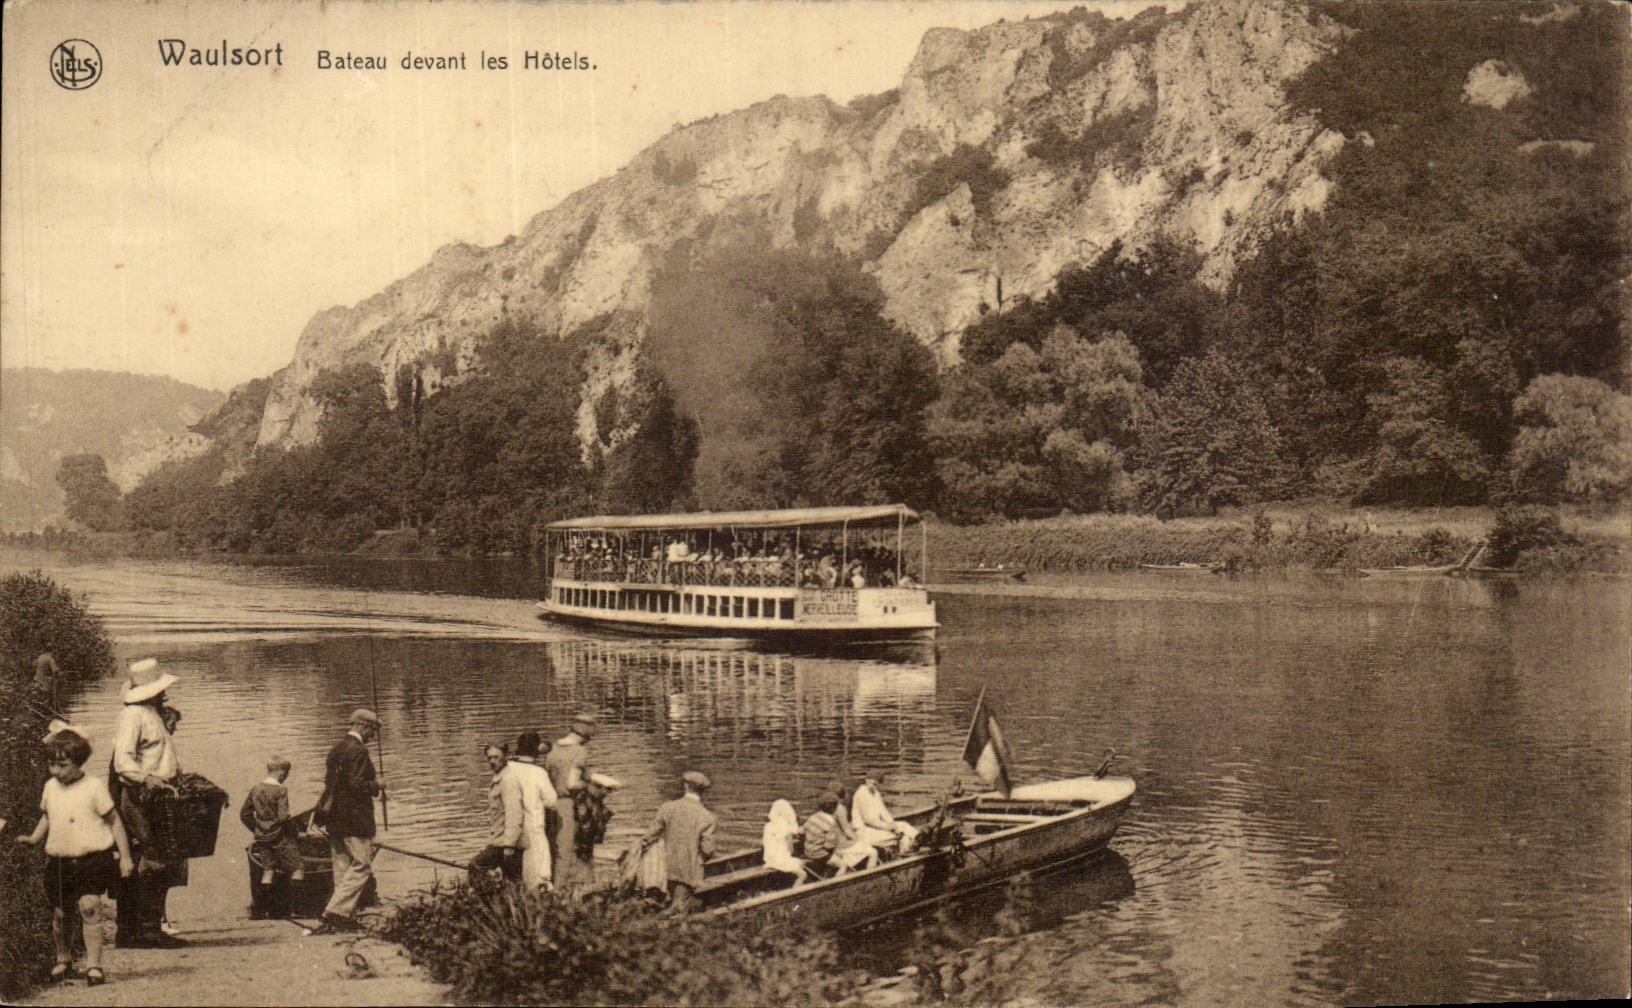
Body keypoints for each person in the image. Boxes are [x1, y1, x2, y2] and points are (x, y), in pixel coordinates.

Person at [16, 724, 133, 986]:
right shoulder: (51, 787)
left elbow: (115, 821)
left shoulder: (93, 787)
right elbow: (48, 815)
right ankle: (63, 959)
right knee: (60, 913)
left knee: (89, 907)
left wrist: (125, 856)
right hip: (60, 860)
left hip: (92, 858)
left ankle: (94, 965)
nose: (56, 772)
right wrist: (35, 838)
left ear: (79, 762)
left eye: (63, 765)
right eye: (52, 766)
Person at [109, 658, 186, 949]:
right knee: (153, 857)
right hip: (142, 795)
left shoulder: (152, 713)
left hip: (159, 792)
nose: (164, 694)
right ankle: (146, 929)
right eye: (160, 690)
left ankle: (142, 927)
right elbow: (122, 761)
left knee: (160, 856)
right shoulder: (132, 716)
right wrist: (146, 778)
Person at [311, 708, 383, 934]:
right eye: (372, 730)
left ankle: (342, 918)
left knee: (342, 867)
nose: (373, 735)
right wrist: (377, 785)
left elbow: (333, 784)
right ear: (362, 726)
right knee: (362, 865)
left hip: (334, 819)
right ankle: (336, 912)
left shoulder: (336, 750)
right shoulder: (359, 751)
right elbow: (356, 785)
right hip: (355, 819)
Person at [639, 770, 716, 911]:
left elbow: (650, 837)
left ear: (685, 786)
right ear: (702, 791)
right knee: (685, 894)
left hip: (665, 869)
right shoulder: (707, 816)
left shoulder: (667, 807)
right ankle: (680, 905)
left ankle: (663, 901)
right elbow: (708, 850)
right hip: (688, 873)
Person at [544, 713, 596, 895]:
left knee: (556, 848)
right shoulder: (579, 751)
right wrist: (592, 785)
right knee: (574, 847)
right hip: (570, 805)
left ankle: (553, 888)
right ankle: (567, 893)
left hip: (552, 804)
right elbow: (572, 783)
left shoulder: (554, 749)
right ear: (587, 733)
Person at [499, 730, 556, 891]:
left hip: (509, 830)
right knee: (539, 874)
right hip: (533, 828)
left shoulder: (507, 768)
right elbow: (551, 801)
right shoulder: (539, 773)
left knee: (513, 875)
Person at [240, 756, 306, 888]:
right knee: (298, 869)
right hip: (279, 837)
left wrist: (258, 828)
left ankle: (266, 900)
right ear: (281, 772)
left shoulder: (256, 789)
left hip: (261, 838)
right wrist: (295, 832)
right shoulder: (281, 790)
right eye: (287, 773)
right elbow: (283, 817)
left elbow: (245, 814)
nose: (287, 776)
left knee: (268, 871)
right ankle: (294, 899)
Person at [468, 743, 521, 886]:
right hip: (500, 839)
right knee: (512, 880)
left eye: (496, 757)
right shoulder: (499, 779)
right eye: (489, 758)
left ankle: (481, 903)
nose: (492, 761)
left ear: (506, 757)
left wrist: (509, 845)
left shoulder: (508, 781)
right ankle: (507, 904)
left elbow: (514, 813)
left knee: (475, 866)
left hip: (503, 842)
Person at [804, 785, 877, 875]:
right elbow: (845, 832)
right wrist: (858, 840)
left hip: (813, 849)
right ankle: (869, 877)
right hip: (836, 847)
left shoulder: (817, 814)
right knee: (873, 852)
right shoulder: (839, 809)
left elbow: (803, 830)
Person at [851, 774, 919, 857]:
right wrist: (888, 828)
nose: (874, 787)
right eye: (873, 783)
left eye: (876, 785)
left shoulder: (875, 793)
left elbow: (884, 812)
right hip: (864, 830)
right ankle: (903, 854)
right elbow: (867, 820)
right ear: (866, 781)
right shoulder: (861, 794)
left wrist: (893, 824)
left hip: (876, 826)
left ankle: (918, 838)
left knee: (903, 825)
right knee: (899, 835)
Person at [760, 799, 807, 885]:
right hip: (780, 860)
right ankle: (795, 893)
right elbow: (791, 850)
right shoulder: (785, 826)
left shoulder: (767, 826)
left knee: (799, 864)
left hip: (769, 859)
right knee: (803, 875)